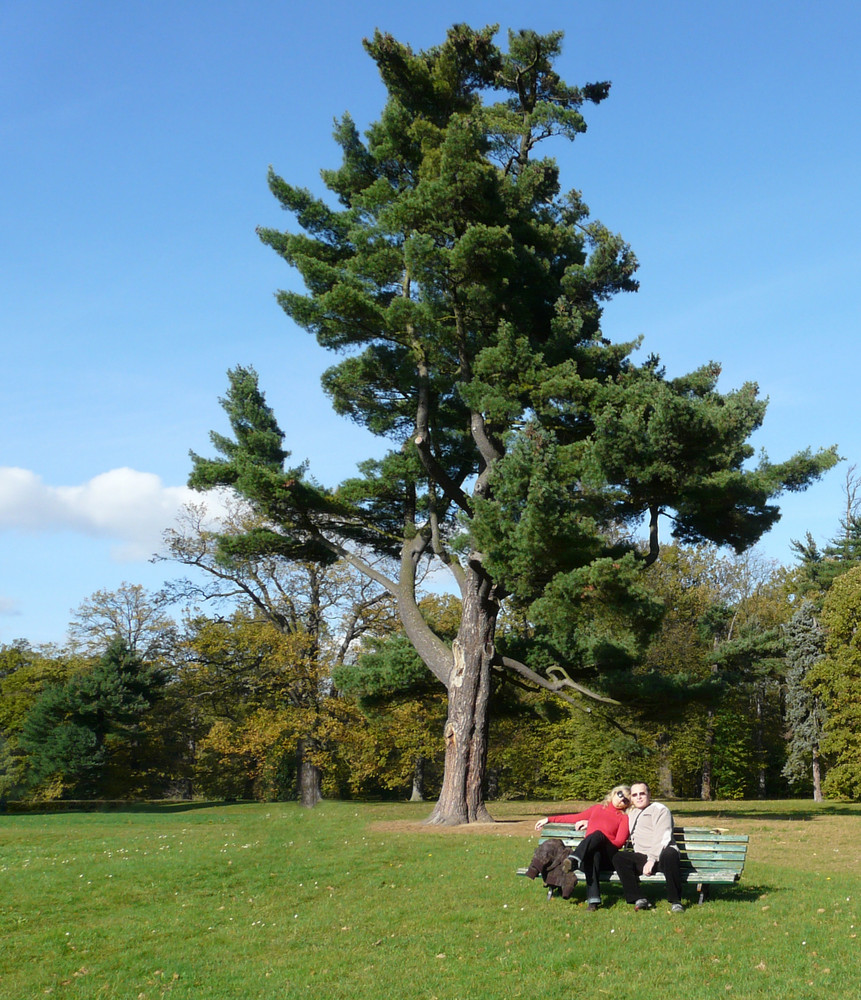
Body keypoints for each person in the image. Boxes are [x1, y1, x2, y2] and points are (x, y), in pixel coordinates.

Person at [532, 786, 631, 910]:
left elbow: (619, 843)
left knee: (597, 835)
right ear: (614, 793)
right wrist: (548, 819)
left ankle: (574, 859)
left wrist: (602, 838)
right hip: (589, 857)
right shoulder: (597, 809)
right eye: (620, 795)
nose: (621, 800)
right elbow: (574, 818)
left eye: (626, 800)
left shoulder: (623, 818)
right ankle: (593, 901)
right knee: (593, 855)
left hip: (608, 858)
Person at [612, 781, 684, 913]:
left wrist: (652, 859)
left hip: (662, 854)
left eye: (642, 794)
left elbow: (663, 836)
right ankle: (638, 898)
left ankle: (676, 901)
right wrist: (588, 822)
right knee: (619, 857)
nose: (638, 797)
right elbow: (612, 822)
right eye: (635, 795)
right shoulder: (631, 814)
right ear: (631, 798)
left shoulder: (660, 810)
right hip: (642, 856)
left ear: (649, 795)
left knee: (670, 854)